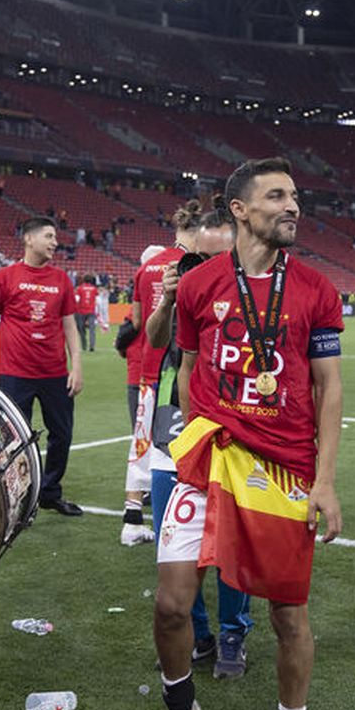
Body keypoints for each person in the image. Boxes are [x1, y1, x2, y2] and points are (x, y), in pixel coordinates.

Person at [148, 157, 343, 710]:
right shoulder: (201, 283)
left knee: (288, 618)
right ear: (240, 209)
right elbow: (185, 359)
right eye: (277, 196)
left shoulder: (316, 288)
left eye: (295, 196)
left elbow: (328, 389)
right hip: (209, 457)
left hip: (282, 469)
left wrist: (326, 480)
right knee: (171, 605)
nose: (293, 206)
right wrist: (188, 424)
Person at [143, 202, 255, 677]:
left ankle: (233, 634)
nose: (207, 268)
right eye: (198, 257)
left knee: (232, 545)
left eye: (218, 258)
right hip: (176, 426)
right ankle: (201, 634)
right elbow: (153, 339)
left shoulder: (253, 296)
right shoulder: (179, 291)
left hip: (234, 431)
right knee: (176, 547)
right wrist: (167, 299)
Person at [0, 218, 84, 517]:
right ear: (29, 238)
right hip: (15, 373)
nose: (55, 242)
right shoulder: (5, 277)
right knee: (14, 438)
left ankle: (50, 492)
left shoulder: (61, 279)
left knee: (62, 435)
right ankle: (18, 495)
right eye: (49, 236)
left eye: (55, 237)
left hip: (55, 373)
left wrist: (76, 365)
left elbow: (70, 326)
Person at [121, 227, 194, 546]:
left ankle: (133, 517)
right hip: (169, 368)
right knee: (169, 448)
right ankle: (172, 520)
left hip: (143, 367)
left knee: (142, 444)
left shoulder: (142, 271)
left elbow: (136, 322)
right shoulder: (187, 265)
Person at [73, 274, 99, 352]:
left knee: (81, 329)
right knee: (92, 329)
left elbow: (77, 300)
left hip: (81, 311)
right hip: (91, 311)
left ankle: (84, 346)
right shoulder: (94, 289)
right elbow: (97, 301)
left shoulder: (79, 289)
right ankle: (92, 346)